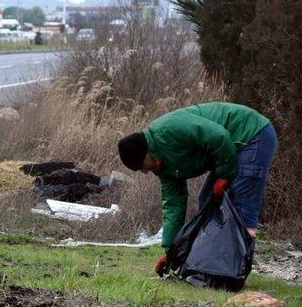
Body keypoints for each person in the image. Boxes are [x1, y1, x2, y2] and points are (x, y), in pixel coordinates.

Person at [117, 102, 277, 277]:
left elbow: (219, 136)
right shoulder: (162, 166)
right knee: (206, 201)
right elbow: (173, 205)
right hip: (228, 150)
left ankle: (236, 274)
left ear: (146, 153)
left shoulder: (169, 129)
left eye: (141, 166)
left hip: (250, 135)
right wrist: (171, 252)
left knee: (242, 210)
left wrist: (224, 175)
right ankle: (216, 266)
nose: (145, 172)